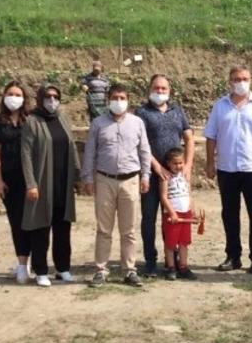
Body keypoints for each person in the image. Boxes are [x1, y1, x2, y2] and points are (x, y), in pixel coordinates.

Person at [82, 83, 152, 287]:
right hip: (105, 179)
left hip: (130, 180)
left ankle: (129, 270)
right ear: (107, 100)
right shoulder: (98, 123)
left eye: (122, 98)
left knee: (128, 229)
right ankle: (101, 269)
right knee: (104, 228)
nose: (118, 102)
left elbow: (144, 150)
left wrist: (146, 175)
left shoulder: (137, 123)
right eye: (115, 98)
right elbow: (90, 152)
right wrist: (87, 177)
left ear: (128, 100)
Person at [204, 65, 252, 273]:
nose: (240, 82)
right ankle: (233, 256)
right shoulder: (220, 106)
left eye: (244, 78)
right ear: (229, 81)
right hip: (227, 168)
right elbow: (211, 136)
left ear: (251, 80)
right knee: (230, 214)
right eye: (236, 79)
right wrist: (209, 162)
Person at [136, 73, 194, 278]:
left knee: (175, 216)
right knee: (149, 218)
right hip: (152, 175)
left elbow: (189, 137)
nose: (160, 92)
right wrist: (156, 166)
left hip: (176, 176)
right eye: (156, 88)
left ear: (169, 91)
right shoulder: (141, 113)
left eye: (164, 88)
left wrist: (187, 165)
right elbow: (140, 142)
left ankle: (176, 261)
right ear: (149, 89)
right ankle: (151, 262)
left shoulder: (177, 111)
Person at [22, 84, 80, 286]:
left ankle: (63, 268)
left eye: (56, 96)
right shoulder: (32, 121)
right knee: (41, 228)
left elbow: (71, 147)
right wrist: (31, 183)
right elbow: (26, 154)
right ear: (40, 99)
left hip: (62, 184)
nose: (52, 100)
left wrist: (77, 175)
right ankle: (41, 270)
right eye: (48, 96)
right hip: (42, 182)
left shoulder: (63, 118)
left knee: (63, 229)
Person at [0, 80, 32, 283]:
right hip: (10, 180)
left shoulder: (30, 120)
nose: (14, 98)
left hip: (30, 179)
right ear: (4, 97)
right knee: (17, 221)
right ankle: (22, 263)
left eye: (18, 94)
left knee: (31, 221)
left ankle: (32, 261)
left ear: (24, 99)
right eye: (10, 94)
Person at [158, 148, 198, 281]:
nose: (178, 166)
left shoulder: (185, 176)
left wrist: (193, 211)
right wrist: (172, 212)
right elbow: (163, 197)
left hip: (185, 214)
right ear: (169, 163)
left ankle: (183, 267)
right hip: (172, 216)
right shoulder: (165, 177)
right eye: (175, 163)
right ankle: (171, 267)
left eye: (181, 163)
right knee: (170, 243)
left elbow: (189, 195)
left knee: (184, 242)